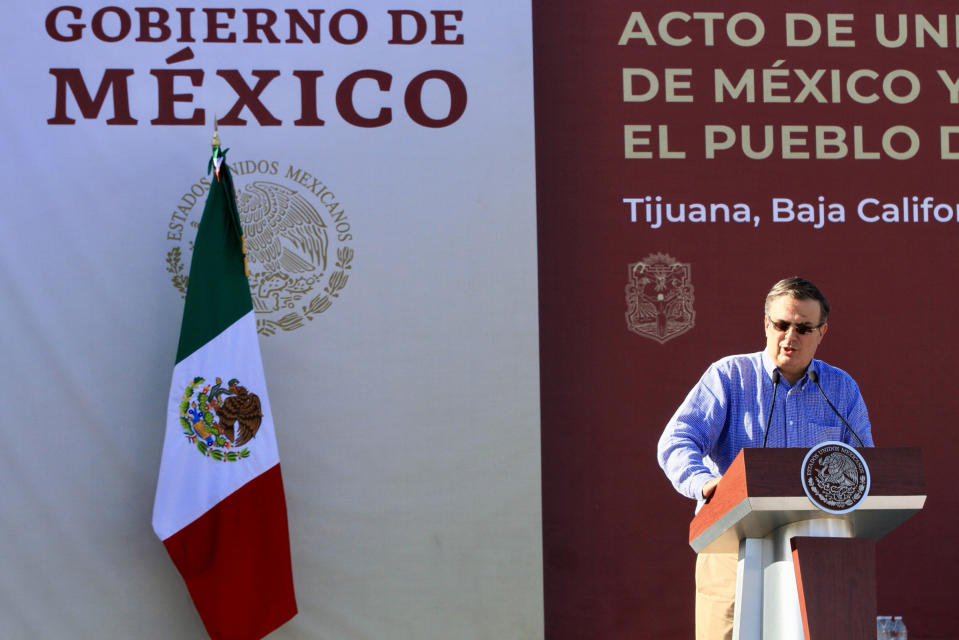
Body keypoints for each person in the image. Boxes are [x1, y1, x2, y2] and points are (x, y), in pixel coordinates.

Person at [656, 277, 873, 640]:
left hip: (819, 550)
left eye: (804, 328)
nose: (791, 337)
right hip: (733, 543)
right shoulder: (729, 376)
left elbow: (864, 467)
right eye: (782, 325)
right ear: (766, 324)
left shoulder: (841, 388)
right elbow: (677, 440)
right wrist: (707, 484)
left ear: (822, 333)